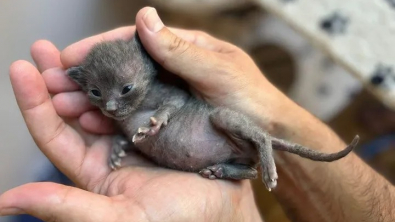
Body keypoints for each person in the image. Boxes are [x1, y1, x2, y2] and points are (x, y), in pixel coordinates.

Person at [1, 7, 394, 222]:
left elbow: (172, 103)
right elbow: (125, 127)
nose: (112, 106)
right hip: (201, 162)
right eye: (94, 93)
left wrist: (162, 118)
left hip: (209, 130)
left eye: (123, 91)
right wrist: (122, 144)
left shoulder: (160, 89)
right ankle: (241, 169)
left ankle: (263, 148)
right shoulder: (115, 112)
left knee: (225, 117)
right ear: (81, 83)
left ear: (148, 66)